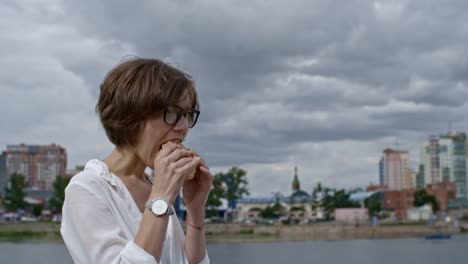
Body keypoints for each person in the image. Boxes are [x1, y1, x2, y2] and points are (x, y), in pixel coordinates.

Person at [61, 58, 212, 264]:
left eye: (188, 115)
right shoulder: (87, 189)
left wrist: (195, 212)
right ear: (131, 116)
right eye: (173, 113)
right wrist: (160, 197)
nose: (183, 127)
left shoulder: (153, 185)